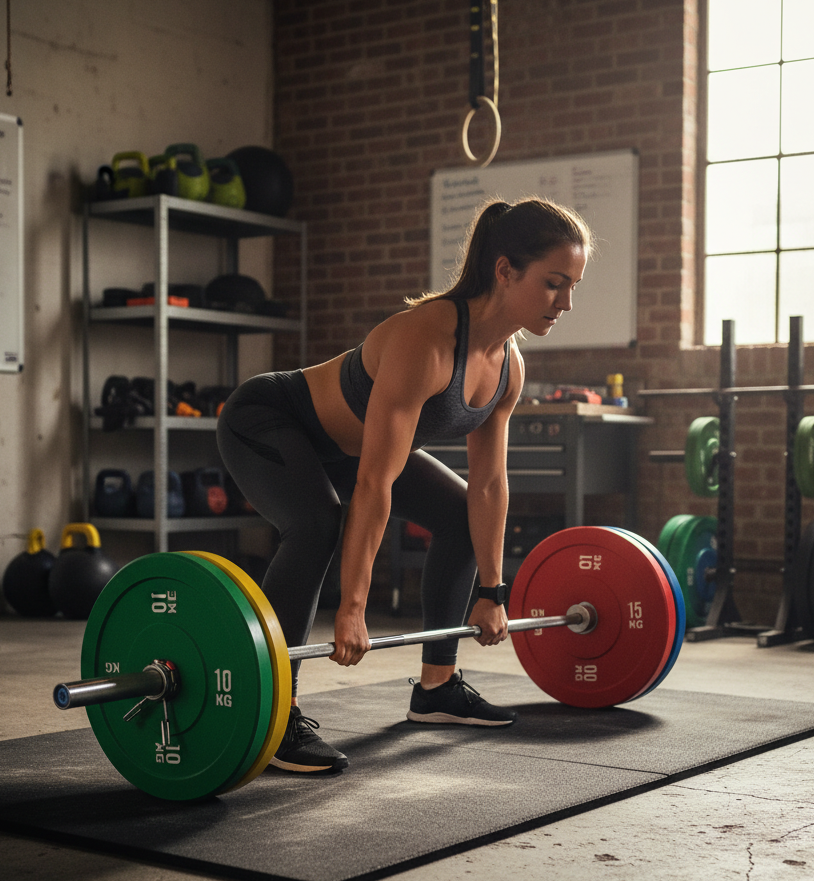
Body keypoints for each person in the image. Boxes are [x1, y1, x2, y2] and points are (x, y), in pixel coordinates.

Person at [217, 197, 592, 774]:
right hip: (268, 420)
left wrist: (492, 591)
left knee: (460, 515)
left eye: (573, 287)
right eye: (554, 284)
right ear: (505, 270)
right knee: (316, 525)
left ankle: (437, 689)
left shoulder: (508, 366)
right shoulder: (428, 339)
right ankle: (271, 711)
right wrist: (353, 607)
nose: (566, 303)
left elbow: (489, 484)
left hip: (346, 448)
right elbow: (375, 481)